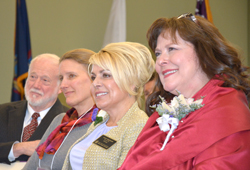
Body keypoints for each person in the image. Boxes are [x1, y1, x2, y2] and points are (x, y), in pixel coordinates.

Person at [119, 13, 250, 170]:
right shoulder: (164, 111)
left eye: (172, 49)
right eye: (158, 53)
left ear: (203, 52)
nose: (160, 60)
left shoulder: (227, 111)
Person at [62, 42, 155, 170]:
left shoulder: (138, 125)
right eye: (93, 77)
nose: (95, 83)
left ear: (132, 82)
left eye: (106, 75)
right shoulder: (101, 121)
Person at [23, 49, 97, 170]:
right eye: (62, 78)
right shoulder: (60, 120)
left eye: (71, 76)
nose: (63, 85)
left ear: (94, 78)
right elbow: (31, 165)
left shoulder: (103, 124)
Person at [0, 54, 68, 164]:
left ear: (60, 87)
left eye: (45, 80)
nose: (36, 85)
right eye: (33, 77)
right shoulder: (2, 112)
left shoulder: (70, 121)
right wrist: (17, 148)